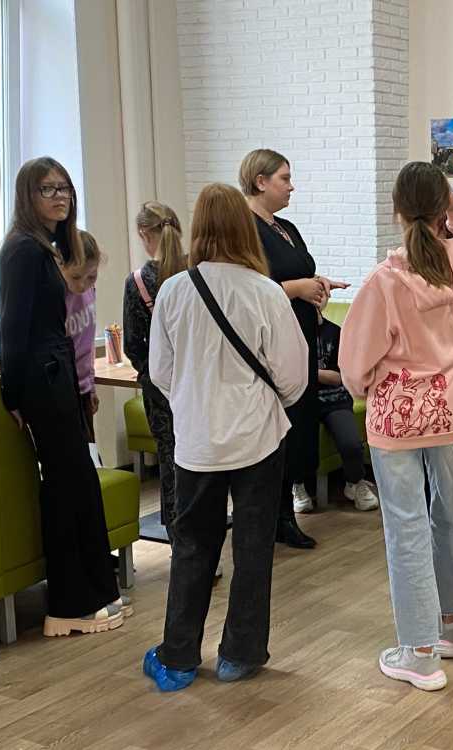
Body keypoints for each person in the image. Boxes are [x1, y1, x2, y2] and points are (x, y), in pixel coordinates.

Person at [142, 183, 308, 692]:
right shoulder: (266, 292)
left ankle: (177, 658)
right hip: (258, 437)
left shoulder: (173, 291)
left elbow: (160, 372)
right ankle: (240, 654)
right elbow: (294, 376)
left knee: (192, 547)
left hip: (196, 441)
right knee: (253, 549)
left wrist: (196, 400)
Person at [339, 161, 453, 692]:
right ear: (442, 208)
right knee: (450, 513)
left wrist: (366, 388)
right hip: (450, 409)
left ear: (397, 210)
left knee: (404, 526)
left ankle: (420, 652)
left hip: (395, 415)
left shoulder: (384, 281)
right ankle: (452, 620)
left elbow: (355, 361)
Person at [0, 157, 124, 637]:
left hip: (57, 379)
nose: (60, 197)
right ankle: (69, 604)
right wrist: (13, 393)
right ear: (28, 196)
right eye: (47, 189)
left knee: (80, 485)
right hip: (41, 383)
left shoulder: (46, 248)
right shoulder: (23, 251)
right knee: (66, 488)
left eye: (65, 188)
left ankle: (98, 592)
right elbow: (13, 327)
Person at [239, 149, 344, 546]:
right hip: (270, 343)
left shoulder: (285, 227)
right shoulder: (246, 230)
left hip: (299, 337)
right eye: (284, 178)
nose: (291, 186)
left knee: (297, 426)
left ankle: (285, 513)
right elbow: (246, 291)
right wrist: (296, 288)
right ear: (260, 181)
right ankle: (273, 518)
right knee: (276, 430)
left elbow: (298, 273)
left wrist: (317, 284)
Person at [123, 201, 186, 529]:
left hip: (160, 385)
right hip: (198, 379)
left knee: (169, 457)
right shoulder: (195, 273)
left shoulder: (138, 281)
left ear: (143, 233)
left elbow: (133, 345)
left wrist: (150, 371)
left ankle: (178, 535)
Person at [312, 297, 378, 510]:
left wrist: (309, 373)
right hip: (302, 400)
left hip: (336, 399)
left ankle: (355, 482)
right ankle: (299, 485)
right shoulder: (290, 332)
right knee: (295, 442)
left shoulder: (336, 332)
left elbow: (341, 377)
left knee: (351, 444)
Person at [61, 230, 103, 442]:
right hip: (63, 391)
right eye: (75, 277)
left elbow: (87, 344)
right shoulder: (56, 296)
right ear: (61, 266)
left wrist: (91, 385)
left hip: (84, 389)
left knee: (90, 454)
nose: (82, 285)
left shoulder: (90, 290)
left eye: (91, 277)